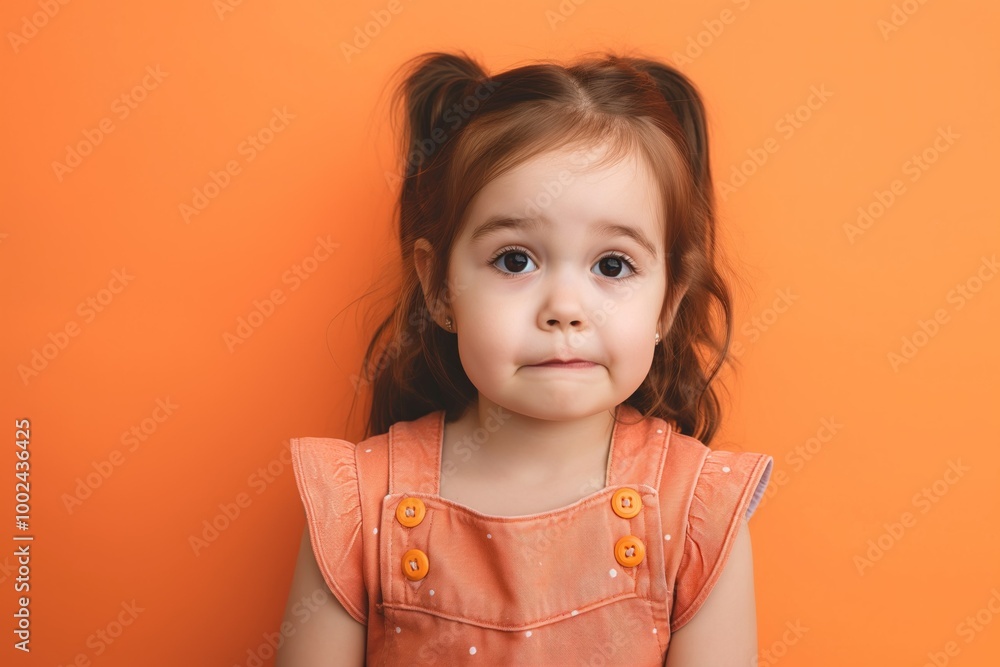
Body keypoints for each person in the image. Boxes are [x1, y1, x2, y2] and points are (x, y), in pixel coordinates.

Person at [276, 49, 774, 666]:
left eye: (612, 265)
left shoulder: (697, 511)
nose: (564, 308)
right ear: (438, 288)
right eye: (515, 260)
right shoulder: (355, 503)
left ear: (667, 305)